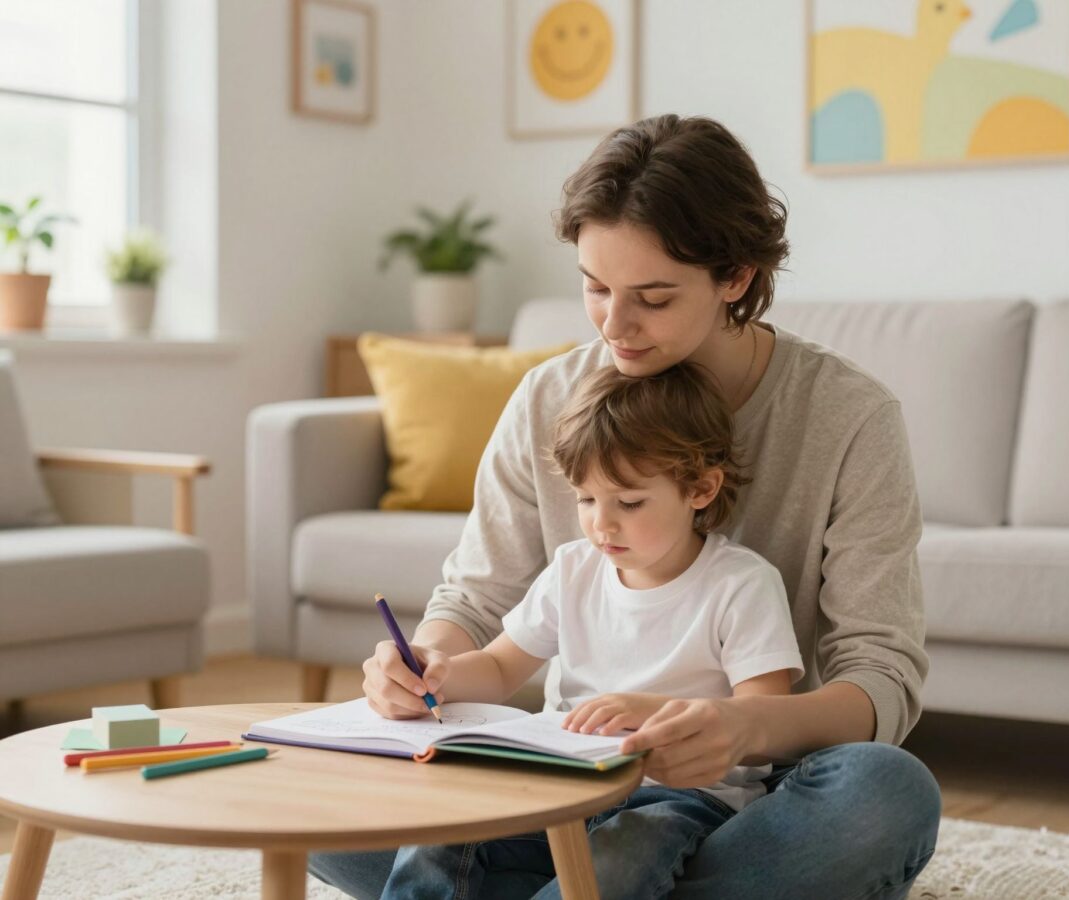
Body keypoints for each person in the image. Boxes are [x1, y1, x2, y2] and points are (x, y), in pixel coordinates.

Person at [312, 114, 941, 900]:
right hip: (561, 786)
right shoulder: (549, 398)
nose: (614, 325)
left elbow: (881, 677)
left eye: (653, 297)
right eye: (595, 287)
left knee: (885, 793)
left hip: (738, 795)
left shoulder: (848, 417)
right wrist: (419, 672)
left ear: (736, 277)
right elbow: (474, 603)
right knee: (316, 791)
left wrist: (743, 729)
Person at [380, 362, 805, 899]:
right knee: (441, 826)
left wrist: (652, 715)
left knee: (619, 858)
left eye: (628, 503)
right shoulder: (573, 569)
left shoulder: (741, 584)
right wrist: (437, 672)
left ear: (701, 489)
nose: (601, 524)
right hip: (562, 783)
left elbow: (762, 720)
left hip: (679, 799)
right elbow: (500, 667)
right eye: (585, 499)